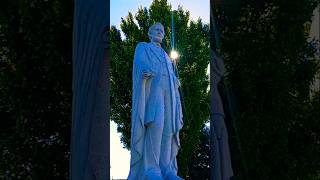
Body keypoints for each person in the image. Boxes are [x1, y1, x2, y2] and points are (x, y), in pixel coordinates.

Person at [128, 22, 183, 180]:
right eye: (156, 30)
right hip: (154, 90)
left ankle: (167, 169)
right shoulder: (143, 47)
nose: (160, 32)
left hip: (169, 93)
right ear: (149, 33)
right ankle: (151, 169)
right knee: (156, 124)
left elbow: (171, 74)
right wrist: (144, 71)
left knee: (169, 128)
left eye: (162, 30)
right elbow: (139, 63)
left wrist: (175, 81)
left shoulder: (166, 56)